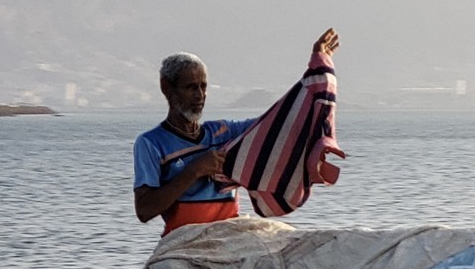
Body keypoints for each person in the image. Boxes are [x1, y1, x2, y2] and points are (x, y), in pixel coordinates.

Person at [133, 28, 341, 235]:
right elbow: (144, 210)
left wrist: (317, 68)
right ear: (167, 88)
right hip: (184, 238)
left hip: (230, 234)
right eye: (190, 87)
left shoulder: (225, 131)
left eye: (203, 87)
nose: (200, 95)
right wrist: (195, 170)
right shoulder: (151, 143)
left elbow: (279, 125)